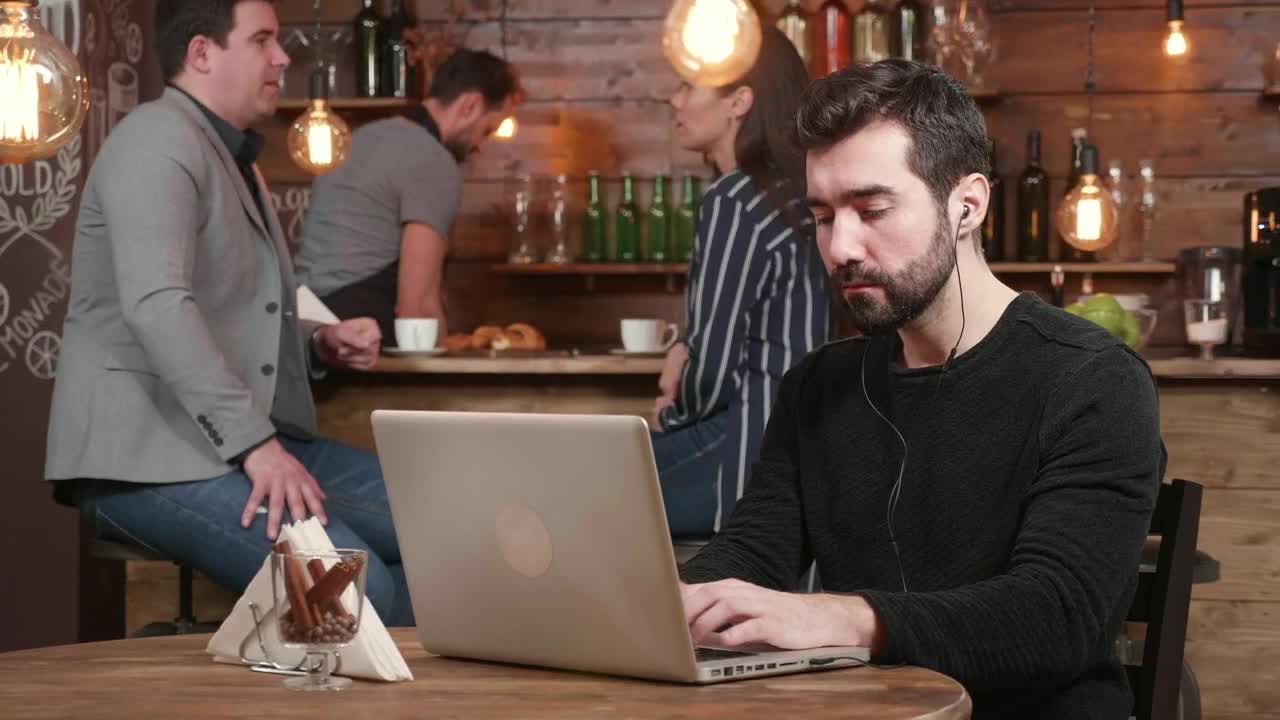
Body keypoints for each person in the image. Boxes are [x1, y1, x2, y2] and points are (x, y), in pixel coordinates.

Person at [677, 60, 1164, 718]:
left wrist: (847, 618)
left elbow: (1056, 617)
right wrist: (671, 600)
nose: (840, 246)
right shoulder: (817, 385)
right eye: (822, 216)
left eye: (872, 209)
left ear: (967, 206)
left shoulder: (1093, 381)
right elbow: (755, 550)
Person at [45, 0, 413, 626]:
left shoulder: (233, 158)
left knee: (439, 534)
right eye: (263, 40)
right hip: (143, 461)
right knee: (362, 593)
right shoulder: (156, 140)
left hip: (230, 442)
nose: (283, 57)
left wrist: (318, 342)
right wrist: (257, 447)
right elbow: (158, 306)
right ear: (201, 53)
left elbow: (231, 314)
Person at [653, 26, 829, 540]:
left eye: (688, 86)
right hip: (808, 455)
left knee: (564, 497)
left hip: (745, 453)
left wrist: (673, 412)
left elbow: (712, 368)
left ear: (739, 102)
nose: (674, 97)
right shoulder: (799, 193)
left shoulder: (736, 200)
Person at [293, 48, 521, 344]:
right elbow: (416, 307)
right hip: (354, 338)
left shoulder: (362, 136)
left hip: (299, 332)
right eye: (487, 130)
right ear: (470, 106)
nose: (480, 145)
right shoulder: (434, 160)